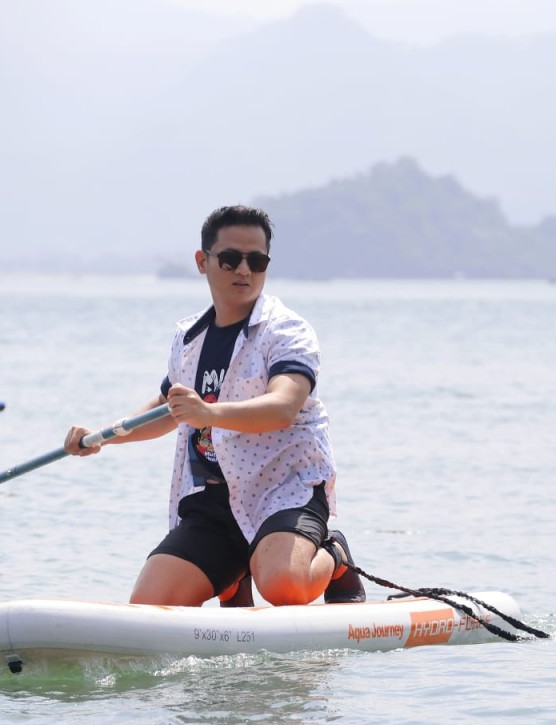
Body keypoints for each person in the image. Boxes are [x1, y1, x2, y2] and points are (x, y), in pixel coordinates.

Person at [63, 205, 365, 608]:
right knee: (150, 604)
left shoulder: (288, 330)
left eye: (256, 261)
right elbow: (169, 408)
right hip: (215, 501)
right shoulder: (188, 337)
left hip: (284, 490)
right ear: (203, 262)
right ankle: (231, 575)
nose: (244, 270)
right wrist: (101, 436)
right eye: (230, 259)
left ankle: (336, 556)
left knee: (283, 589)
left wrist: (208, 413)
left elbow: (283, 407)